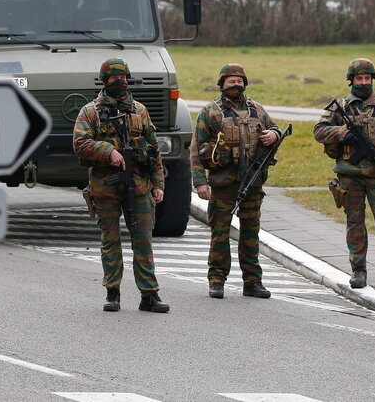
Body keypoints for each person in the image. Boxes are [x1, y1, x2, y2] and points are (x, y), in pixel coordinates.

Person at [73, 57, 169, 313]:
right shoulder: (90, 111)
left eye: (124, 78)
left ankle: (149, 294)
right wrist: (107, 151)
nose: (120, 82)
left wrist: (158, 183)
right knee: (111, 240)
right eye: (115, 79)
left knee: (144, 240)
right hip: (106, 185)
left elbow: (154, 150)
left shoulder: (139, 110)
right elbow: (79, 143)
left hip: (139, 185)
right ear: (104, 82)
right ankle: (112, 292)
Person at [313, 58, 375, 290]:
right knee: (355, 223)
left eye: (367, 78)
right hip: (349, 176)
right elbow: (319, 130)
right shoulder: (340, 108)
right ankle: (358, 270)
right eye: (359, 79)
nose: (363, 82)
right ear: (351, 81)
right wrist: (342, 133)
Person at [189, 63, 281, 299]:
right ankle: (217, 280)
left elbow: (275, 129)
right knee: (220, 233)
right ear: (222, 84)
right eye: (231, 81)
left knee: (251, 233)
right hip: (223, 183)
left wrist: (274, 135)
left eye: (240, 80)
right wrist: (200, 182)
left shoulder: (257, 110)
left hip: (252, 182)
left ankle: (253, 282)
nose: (236, 84)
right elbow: (196, 148)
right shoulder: (210, 112)